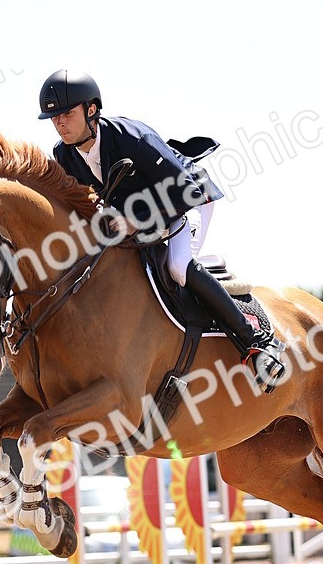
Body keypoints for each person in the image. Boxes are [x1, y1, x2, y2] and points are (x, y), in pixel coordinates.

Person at [37, 69, 285, 391]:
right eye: (54, 118)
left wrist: (133, 221)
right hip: (137, 214)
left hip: (188, 197)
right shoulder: (64, 155)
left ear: (92, 110)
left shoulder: (131, 138)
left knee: (178, 266)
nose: (60, 124)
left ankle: (259, 345)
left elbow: (183, 192)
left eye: (67, 114)